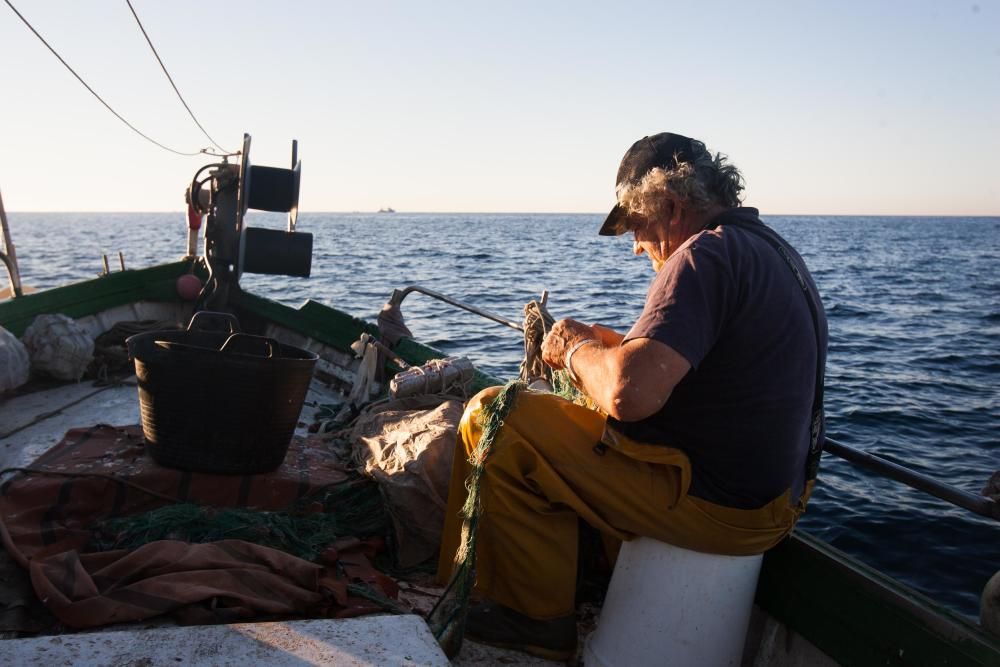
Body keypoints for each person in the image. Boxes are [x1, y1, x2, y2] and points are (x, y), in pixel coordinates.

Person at [436, 132, 828, 660]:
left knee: (492, 419)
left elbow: (628, 394)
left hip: (714, 508)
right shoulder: (773, 252)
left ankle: (529, 618)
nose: (636, 244)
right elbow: (716, 371)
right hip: (774, 505)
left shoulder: (700, 257)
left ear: (669, 205)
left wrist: (574, 349)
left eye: (636, 225)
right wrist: (614, 345)